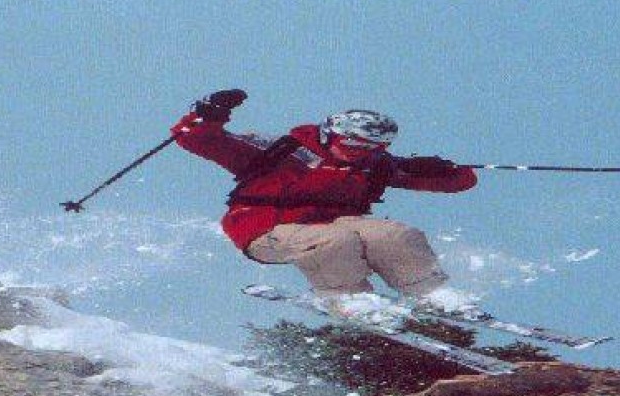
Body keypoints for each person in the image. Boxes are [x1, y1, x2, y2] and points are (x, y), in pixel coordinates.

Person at [171, 89, 478, 315]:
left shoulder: (373, 165)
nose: (359, 152)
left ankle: (432, 294)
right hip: (267, 227)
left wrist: (441, 168)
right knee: (336, 241)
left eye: (372, 147)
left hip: (332, 225)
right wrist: (208, 114)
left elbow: (460, 183)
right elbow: (194, 138)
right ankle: (348, 299)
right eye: (353, 143)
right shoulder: (280, 151)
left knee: (396, 234)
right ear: (331, 135)